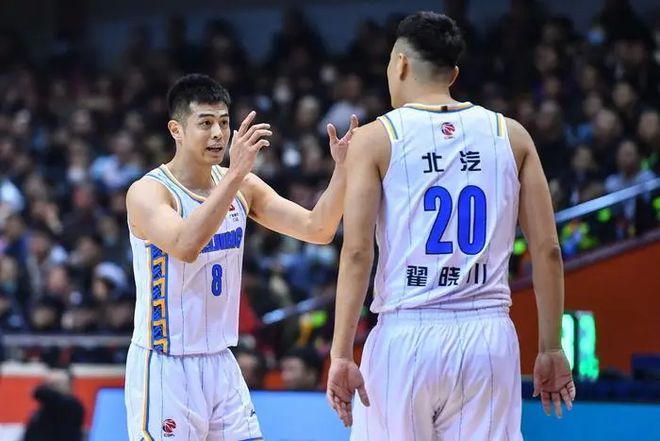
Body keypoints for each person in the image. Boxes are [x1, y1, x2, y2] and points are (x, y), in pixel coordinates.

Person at [327, 12, 576, 440]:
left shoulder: (374, 138)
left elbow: (357, 254)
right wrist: (551, 347)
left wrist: (341, 354)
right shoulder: (512, 135)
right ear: (453, 74)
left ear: (401, 63)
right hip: (487, 337)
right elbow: (548, 251)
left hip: (406, 333)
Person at [124, 73, 357, 441]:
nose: (218, 133)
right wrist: (234, 175)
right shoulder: (149, 192)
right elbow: (185, 245)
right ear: (176, 130)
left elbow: (318, 228)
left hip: (221, 361)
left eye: (224, 122)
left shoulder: (240, 184)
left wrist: (343, 170)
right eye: (205, 123)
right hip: (167, 364)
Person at [23, 368, 84, 441]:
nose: (50, 388)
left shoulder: (72, 405)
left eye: (54, 384)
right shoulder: (47, 406)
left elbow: (40, 393)